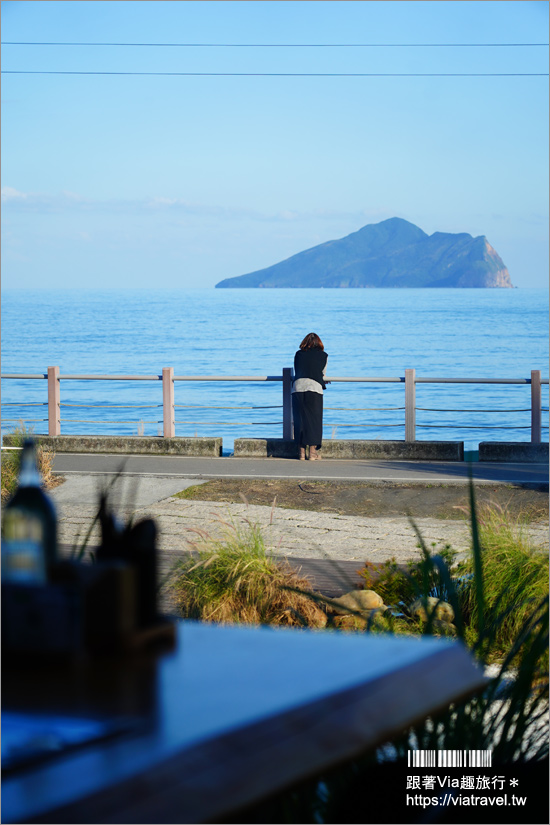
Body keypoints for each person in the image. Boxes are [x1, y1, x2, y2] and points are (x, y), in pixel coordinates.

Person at [292, 332, 328, 460]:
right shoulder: (323, 356)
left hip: (298, 388)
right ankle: (312, 454)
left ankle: (301, 453)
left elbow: (299, 370)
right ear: (319, 343)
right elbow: (321, 373)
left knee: (299, 420)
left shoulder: (298, 354)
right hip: (314, 389)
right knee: (314, 421)